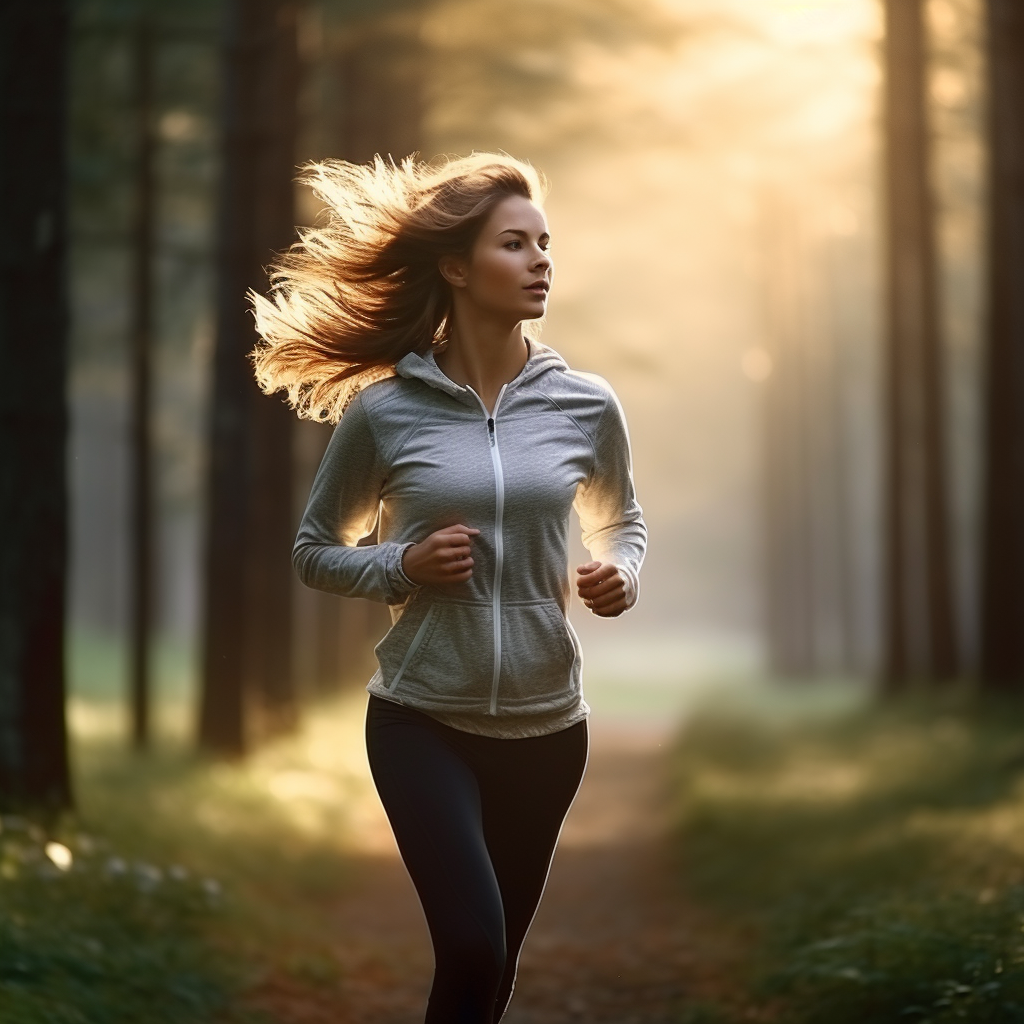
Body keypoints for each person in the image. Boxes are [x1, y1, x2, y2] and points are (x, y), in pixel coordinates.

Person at [249, 153, 647, 1024]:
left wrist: (622, 573)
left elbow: (622, 519)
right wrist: (403, 565)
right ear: (457, 267)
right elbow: (316, 550)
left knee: (491, 968)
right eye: (515, 244)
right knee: (470, 942)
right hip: (422, 719)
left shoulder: (585, 404)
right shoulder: (387, 410)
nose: (541, 260)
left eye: (545, 243)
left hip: (549, 726)